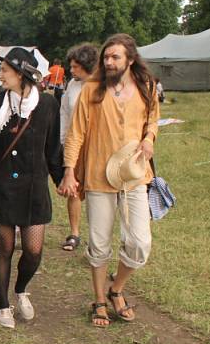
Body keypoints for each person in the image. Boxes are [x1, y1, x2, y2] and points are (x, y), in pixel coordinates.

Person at [59, 33, 159, 328]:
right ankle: (100, 300)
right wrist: (68, 170)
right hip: (98, 176)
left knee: (140, 242)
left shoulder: (146, 86)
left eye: (115, 57)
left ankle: (117, 289)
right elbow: (76, 133)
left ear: (130, 59)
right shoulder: (91, 90)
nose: (109, 62)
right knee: (99, 244)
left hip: (134, 175)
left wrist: (150, 138)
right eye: (106, 57)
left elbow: (152, 119)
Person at [0, 48, 63, 329]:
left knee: (33, 250)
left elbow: (53, 148)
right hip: (1, 186)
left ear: (21, 74)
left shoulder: (47, 105)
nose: (0, 75)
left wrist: (62, 179)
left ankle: (20, 290)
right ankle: (2, 305)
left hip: (34, 189)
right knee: (4, 248)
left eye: (5, 71)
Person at [60, 43, 98, 252]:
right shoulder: (72, 86)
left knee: (95, 191)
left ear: (87, 65)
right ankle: (74, 233)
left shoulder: (104, 85)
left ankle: (96, 239)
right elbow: (64, 112)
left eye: (76, 67)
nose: (72, 70)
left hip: (96, 146)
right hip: (75, 144)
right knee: (73, 188)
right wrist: (63, 140)